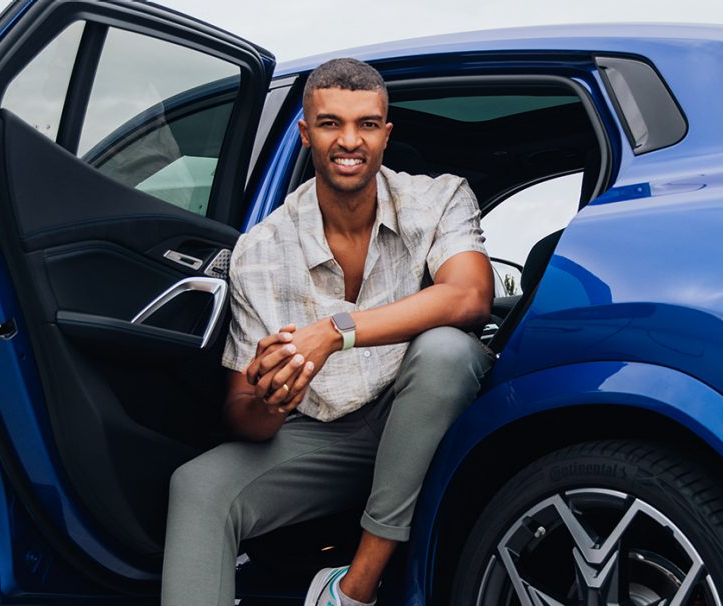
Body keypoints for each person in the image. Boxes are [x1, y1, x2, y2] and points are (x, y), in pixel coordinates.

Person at [161, 57, 494, 606]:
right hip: (328, 433)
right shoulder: (260, 251)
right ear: (305, 133)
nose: (350, 141)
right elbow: (241, 411)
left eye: (367, 124)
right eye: (331, 123)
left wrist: (336, 332)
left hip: (433, 415)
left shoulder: (438, 199)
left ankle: (354, 588)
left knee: (444, 351)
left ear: (386, 134)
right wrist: (271, 400)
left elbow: (470, 296)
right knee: (197, 487)